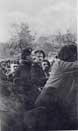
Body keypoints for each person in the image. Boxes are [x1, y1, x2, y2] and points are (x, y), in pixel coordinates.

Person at [34, 44, 78, 130]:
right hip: (49, 96)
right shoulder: (60, 64)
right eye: (75, 54)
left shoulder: (60, 63)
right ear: (70, 54)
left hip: (49, 95)